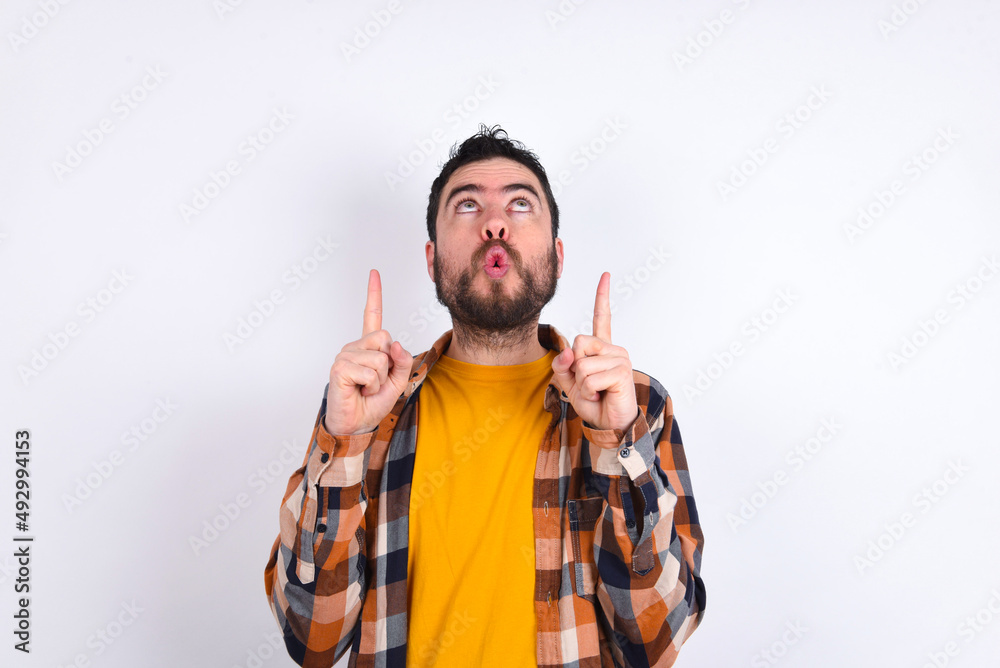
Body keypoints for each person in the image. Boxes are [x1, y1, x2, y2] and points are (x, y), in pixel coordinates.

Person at [263, 124, 706, 667]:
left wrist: (617, 444)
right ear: (431, 260)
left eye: (520, 205)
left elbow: (654, 644)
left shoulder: (633, 405)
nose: (494, 223)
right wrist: (347, 442)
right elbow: (311, 640)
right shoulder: (367, 405)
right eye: (467, 205)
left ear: (557, 256)